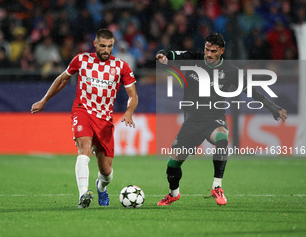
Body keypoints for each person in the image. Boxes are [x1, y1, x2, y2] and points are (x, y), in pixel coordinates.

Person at [156, 32, 287, 206]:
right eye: (206, 49)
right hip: (192, 121)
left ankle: (217, 186)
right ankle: (174, 193)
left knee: (222, 137)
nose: (208, 54)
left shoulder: (231, 71)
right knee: (172, 165)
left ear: (222, 51)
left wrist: (273, 108)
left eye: (213, 51)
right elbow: (170, 53)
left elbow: (252, 91)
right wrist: (162, 55)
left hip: (214, 118)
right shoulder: (193, 59)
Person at [31, 29, 138, 208]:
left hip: (105, 119)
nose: (106, 50)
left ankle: (101, 188)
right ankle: (83, 195)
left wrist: (128, 112)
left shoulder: (121, 66)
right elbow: (62, 79)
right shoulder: (81, 60)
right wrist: (44, 100)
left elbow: (133, 95)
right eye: (103, 46)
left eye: (110, 46)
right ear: (95, 44)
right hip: (83, 111)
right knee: (84, 149)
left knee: (106, 171)